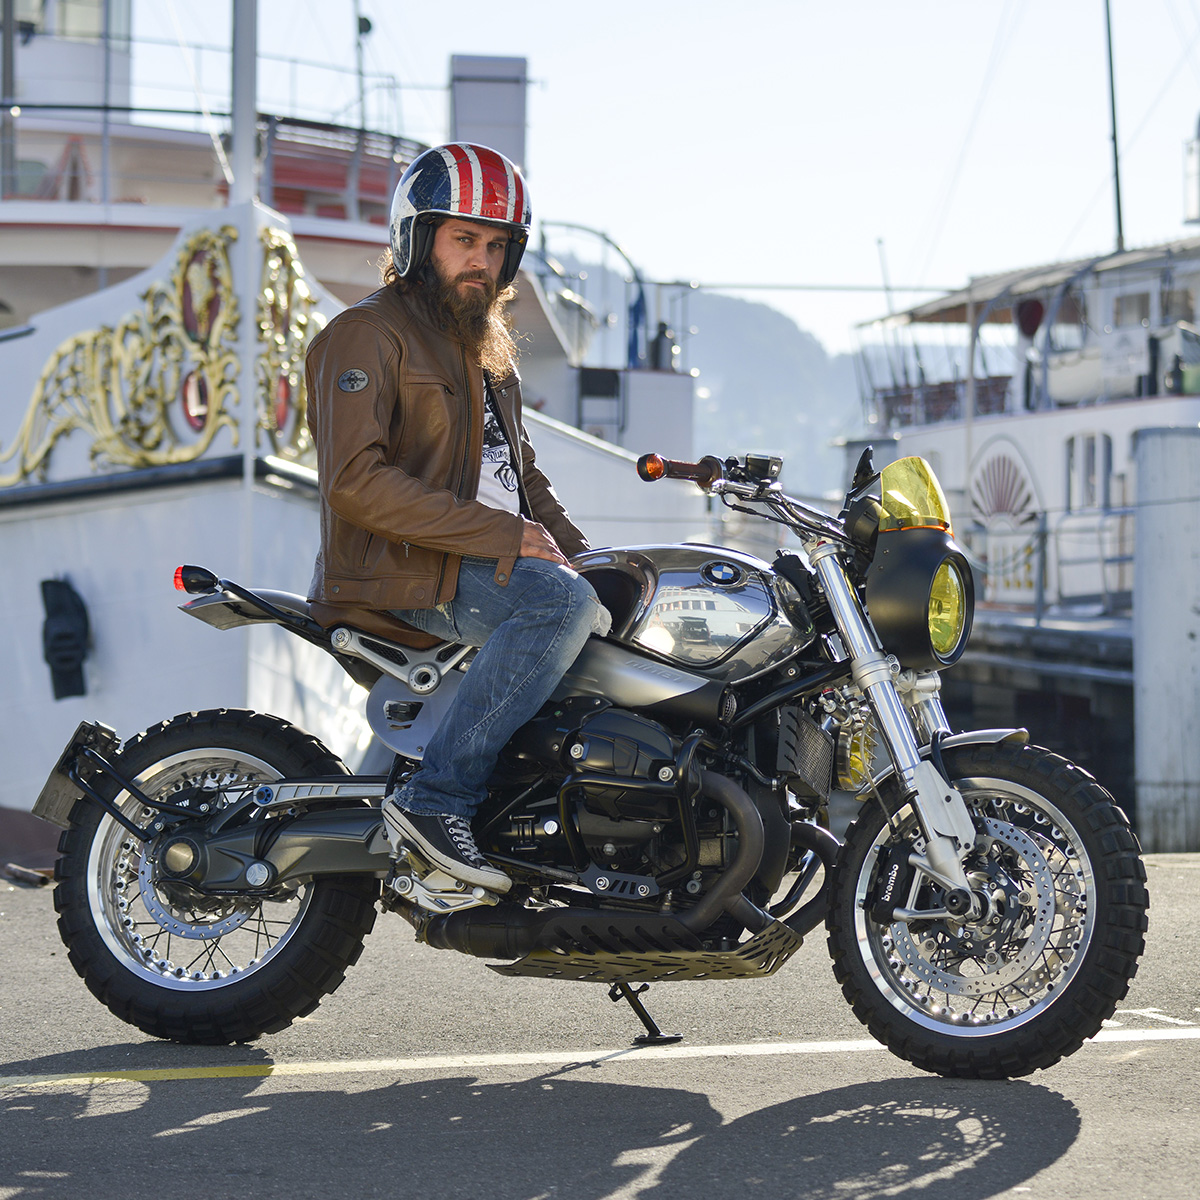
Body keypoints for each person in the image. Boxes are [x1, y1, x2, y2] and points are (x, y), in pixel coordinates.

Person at [305, 143, 609, 895]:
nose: (482, 260)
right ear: (417, 239)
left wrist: (593, 563)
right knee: (558, 607)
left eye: (497, 246)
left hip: (479, 565)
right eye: (464, 239)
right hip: (402, 574)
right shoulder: (366, 334)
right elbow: (354, 482)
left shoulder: (482, 347)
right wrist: (508, 540)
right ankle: (438, 800)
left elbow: (521, 480)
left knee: (619, 615)